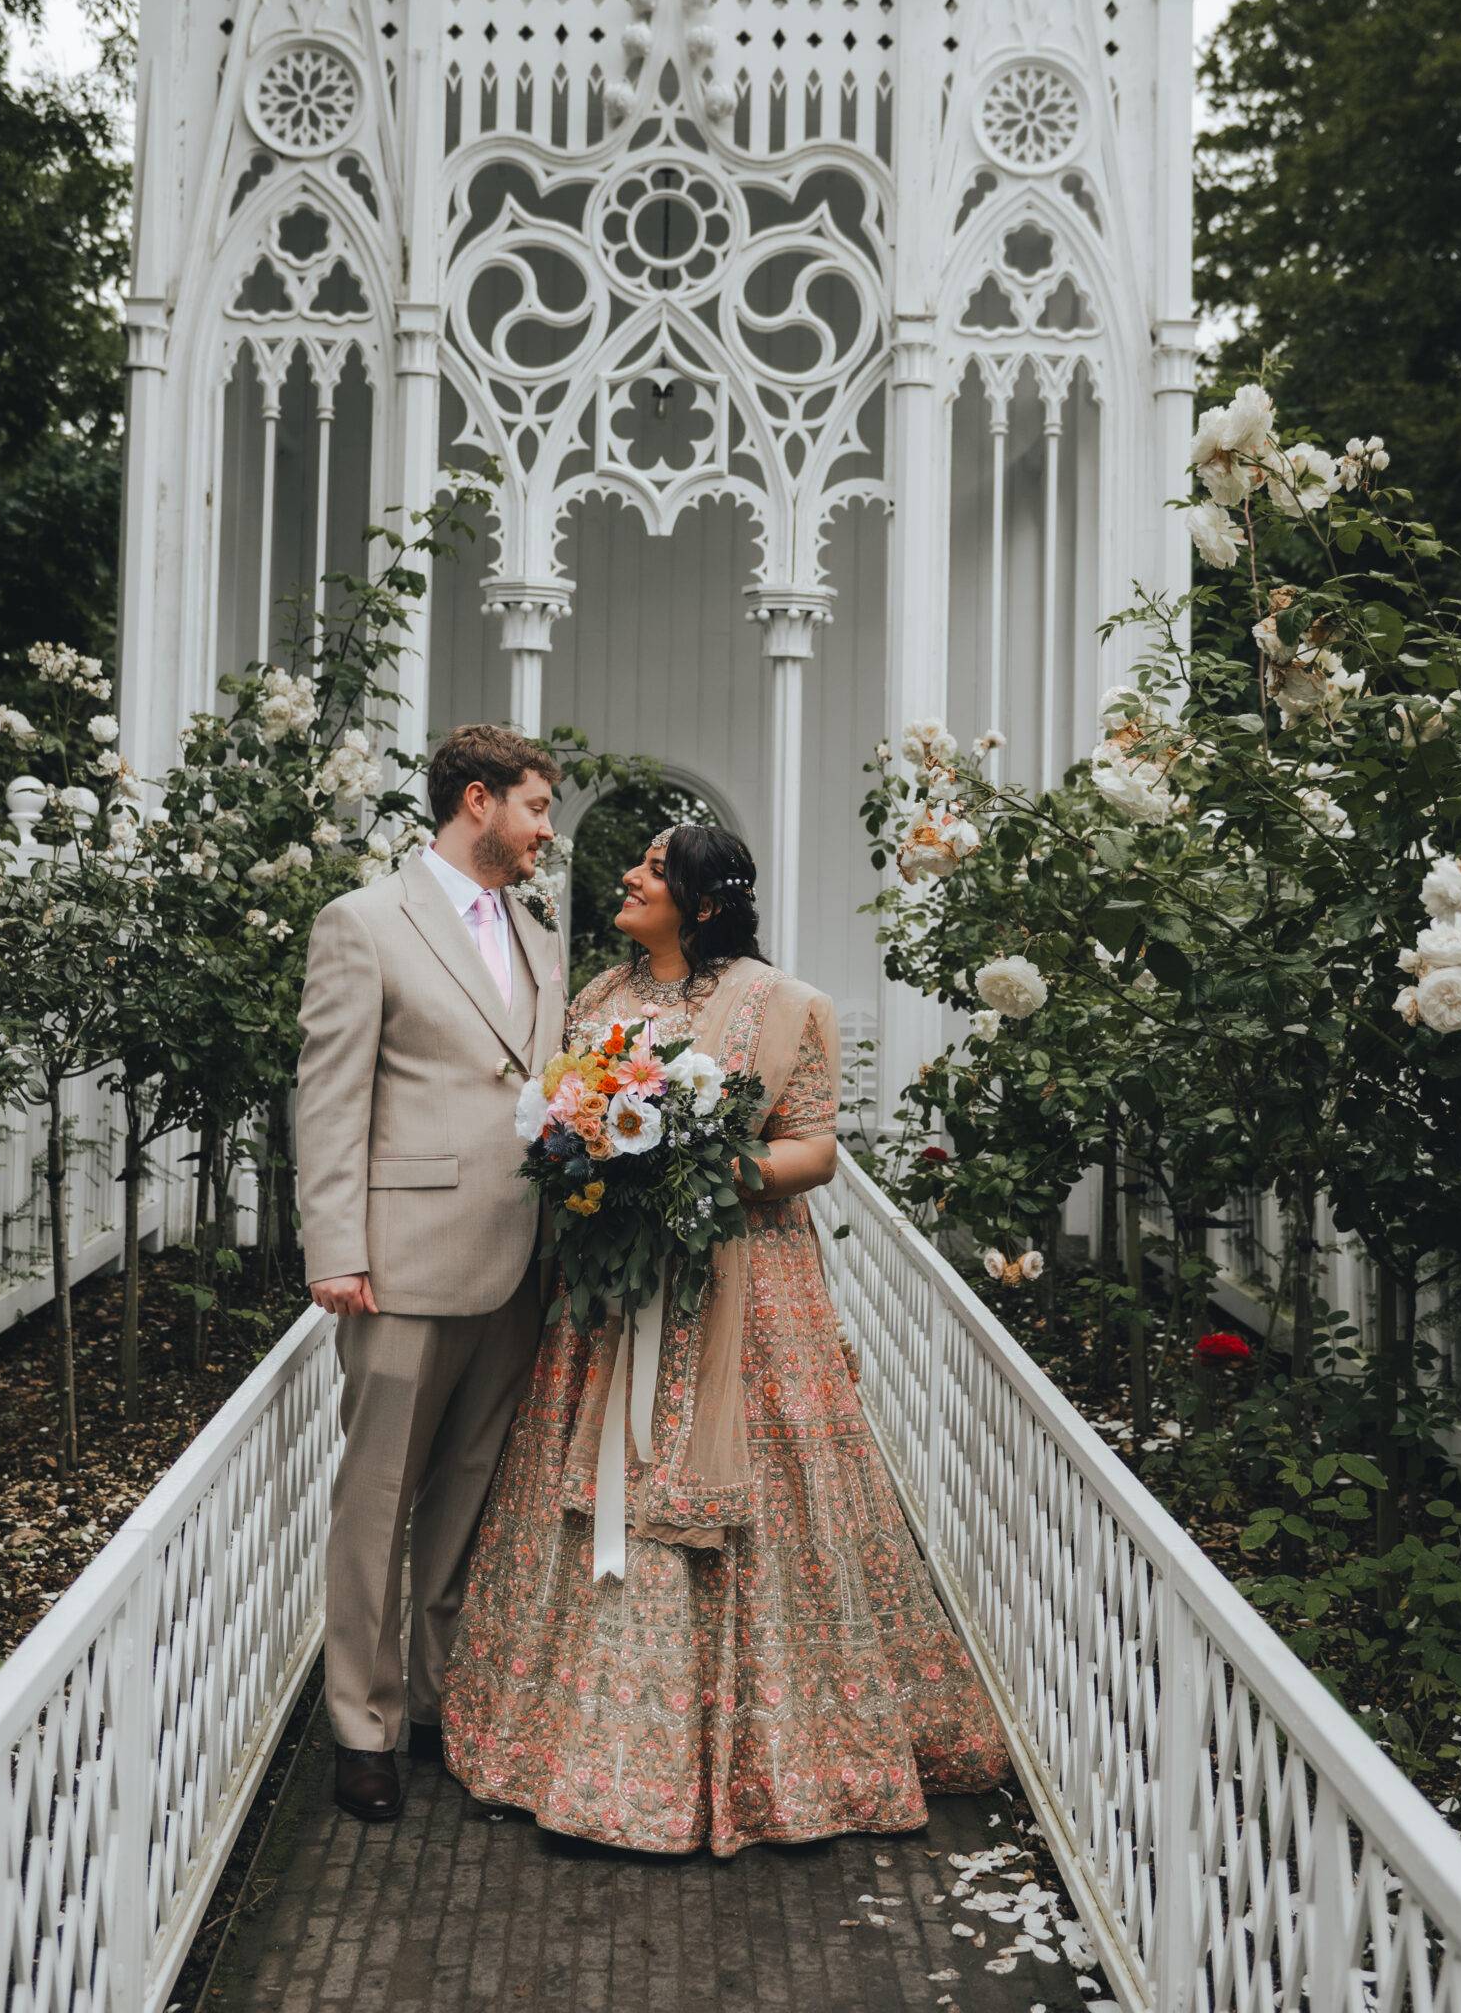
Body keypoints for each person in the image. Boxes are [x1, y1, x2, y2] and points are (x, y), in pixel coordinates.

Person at [442, 823, 1008, 1854]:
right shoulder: (596, 1000)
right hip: (614, 1297)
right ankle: (580, 1750)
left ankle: (781, 1760)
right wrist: (593, 1158)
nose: (628, 877)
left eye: (653, 870)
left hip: (744, 1292)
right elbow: (563, 1120)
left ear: (703, 903)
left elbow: (813, 1151)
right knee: (608, 1479)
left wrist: (690, 1170)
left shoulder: (787, 1005)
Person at [296, 722, 565, 1823]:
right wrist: (335, 1249)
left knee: (465, 1498)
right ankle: (359, 1726)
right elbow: (329, 1094)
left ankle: (434, 1704)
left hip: (520, 1262)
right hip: (401, 1263)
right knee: (377, 1502)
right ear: (476, 801)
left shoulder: (538, 930)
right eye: (535, 807)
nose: (546, 831)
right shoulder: (364, 921)